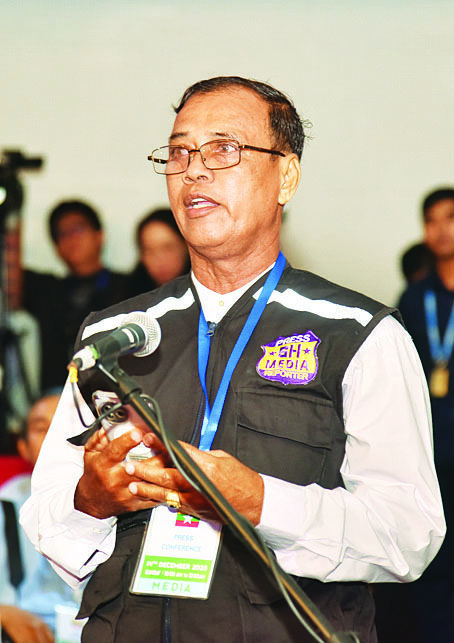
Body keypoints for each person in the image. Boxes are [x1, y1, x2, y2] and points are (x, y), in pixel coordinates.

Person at [20, 76, 445, 643]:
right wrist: (89, 502)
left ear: (286, 176)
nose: (193, 170)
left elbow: (408, 534)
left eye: (223, 149)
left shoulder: (358, 334)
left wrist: (261, 501)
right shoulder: (114, 336)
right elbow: (46, 517)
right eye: (179, 153)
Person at [395, 187, 454, 642]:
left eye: (449, 218)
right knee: (434, 559)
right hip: (432, 451)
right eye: (431, 220)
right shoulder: (415, 297)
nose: (440, 229)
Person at [7, 199, 129, 393]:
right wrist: (12, 210)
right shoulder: (46, 289)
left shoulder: (129, 285)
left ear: (99, 235)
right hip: (57, 396)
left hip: (116, 391)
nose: (71, 239)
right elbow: (9, 272)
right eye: (61, 234)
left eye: (78, 229)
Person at [0, 393, 83, 643]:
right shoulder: (5, 506)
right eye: (41, 428)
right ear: (23, 448)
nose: (55, 436)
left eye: (66, 423)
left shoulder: (123, 505)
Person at [125, 208, 190, 298]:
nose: (159, 260)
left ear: (186, 246)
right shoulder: (128, 297)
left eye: (168, 248)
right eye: (149, 251)